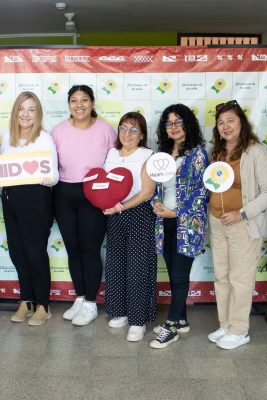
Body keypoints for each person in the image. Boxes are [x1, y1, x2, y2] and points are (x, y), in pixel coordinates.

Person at [207, 100, 267, 350]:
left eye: (230, 121)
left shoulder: (256, 151)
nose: (225, 126)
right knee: (222, 277)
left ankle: (239, 330)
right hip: (217, 222)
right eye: (221, 123)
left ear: (242, 122)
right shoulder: (219, 152)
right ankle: (225, 325)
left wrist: (242, 213)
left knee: (240, 279)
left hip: (243, 225)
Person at [52, 85, 115, 326]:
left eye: (84, 100)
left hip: (94, 192)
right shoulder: (57, 131)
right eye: (74, 100)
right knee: (73, 248)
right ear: (69, 105)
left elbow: (115, 164)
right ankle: (79, 297)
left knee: (90, 248)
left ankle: (91, 302)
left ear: (92, 103)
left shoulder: (106, 131)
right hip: (64, 192)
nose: (79, 105)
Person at [151, 104, 209, 349]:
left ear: (188, 124)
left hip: (187, 224)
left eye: (178, 121)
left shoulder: (197, 154)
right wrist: (156, 202)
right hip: (164, 223)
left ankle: (172, 324)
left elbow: (201, 194)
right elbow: (157, 187)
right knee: (174, 272)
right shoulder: (163, 155)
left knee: (179, 274)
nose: (173, 127)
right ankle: (182, 319)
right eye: (168, 122)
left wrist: (175, 212)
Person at [0, 91, 59, 326]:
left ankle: (43, 305)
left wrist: (46, 178)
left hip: (35, 199)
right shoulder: (7, 137)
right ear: (15, 112)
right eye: (21, 109)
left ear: (38, 114)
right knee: (17, 252)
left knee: (35, 253)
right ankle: (26, 300)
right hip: (11, 197)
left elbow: (54, 174)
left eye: (31, 109)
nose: (25, 114)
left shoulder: (44, 138)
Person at [103, 112, 156, 341]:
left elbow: (147, 192)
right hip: (114, 215)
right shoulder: (112, 153)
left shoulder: (147, 155)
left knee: (137, 267)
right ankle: (120, 311)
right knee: (115, 263)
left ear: (142, 134)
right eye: (123, 128)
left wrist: (121, 207)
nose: (127, 134)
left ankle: (137, 320)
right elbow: (103, 184)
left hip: (139, 214)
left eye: (133, 130)